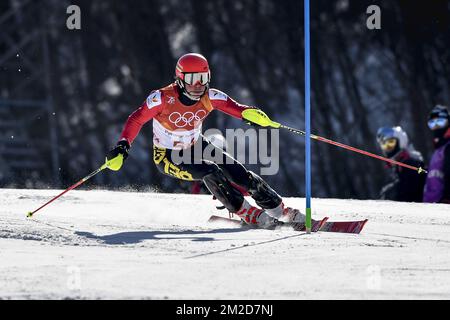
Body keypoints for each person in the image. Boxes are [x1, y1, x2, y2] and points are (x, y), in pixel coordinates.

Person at [105, 53, 305, 228]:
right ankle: (245, 211)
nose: (198, 85)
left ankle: (280, 210)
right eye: (192, 79)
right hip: (167, 156)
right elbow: (136, 119)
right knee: (211, 172)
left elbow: (236, 108)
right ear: (180, 79)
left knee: (238, 171)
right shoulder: (162, 98)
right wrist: (123, 144)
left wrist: (252, 115)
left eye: (203, 78)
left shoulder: (210, 96)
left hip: (196, 145)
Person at [376, 126, 426, 202]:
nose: (388, 147)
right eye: (384, 145)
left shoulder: (410, 162)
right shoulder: (396, 166)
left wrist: (390, 193)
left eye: (391, 142)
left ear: (401, 142)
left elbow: (408, 190)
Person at [423, 105, 450, 203]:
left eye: (440, 122)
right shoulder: (439, 149)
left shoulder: (448, 146)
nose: (436, 127)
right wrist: (422, 170)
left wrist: (447, 198)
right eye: (432, 123)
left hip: (443, 206)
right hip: (432, 205)